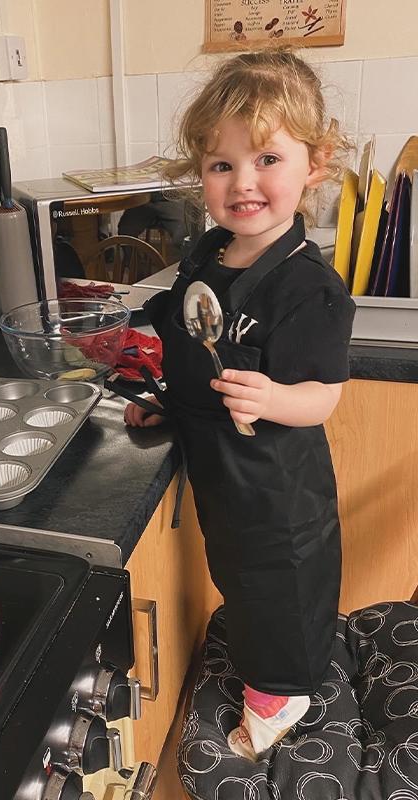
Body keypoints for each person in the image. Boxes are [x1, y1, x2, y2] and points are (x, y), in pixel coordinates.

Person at [124, 50, 354, 761]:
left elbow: (326, 398)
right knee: (240, 583)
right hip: (221, 475)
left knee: (277, 595)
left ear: (313, 165)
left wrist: (281, 396)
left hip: (277, 494)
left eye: (266, 160)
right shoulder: (208, 254)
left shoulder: (308, 287)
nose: (243, 183)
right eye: (222, 165)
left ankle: (281, 701)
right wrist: (163, 398)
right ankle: (271, 669)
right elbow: (189, 347)